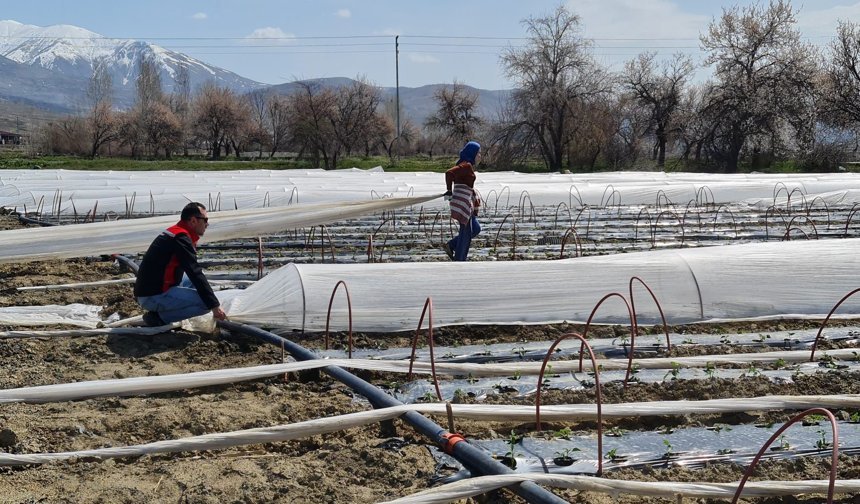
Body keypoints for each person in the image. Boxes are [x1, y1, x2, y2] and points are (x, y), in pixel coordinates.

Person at [134, 202, 228, 326]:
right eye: (205, 220)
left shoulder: (177, 232)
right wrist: (215, 306)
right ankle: (159, 318)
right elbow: (194, 271)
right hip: (152, 296)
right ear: (193, 221)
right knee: (206, 304)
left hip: (150, 289)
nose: (207, 224)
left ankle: (172, 308)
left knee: (194, 283)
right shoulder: (180, 238)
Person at [443, 141, 481, 261]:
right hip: (463, 204)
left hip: (465, 202)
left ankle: (451, 245)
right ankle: (460, 259)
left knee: (476, 228)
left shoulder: (465, 165)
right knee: (466, 233)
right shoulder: (466, 166)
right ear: (472, 153)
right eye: (478, 153)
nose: (479, 156)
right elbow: (449, 173)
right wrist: (449, 190)